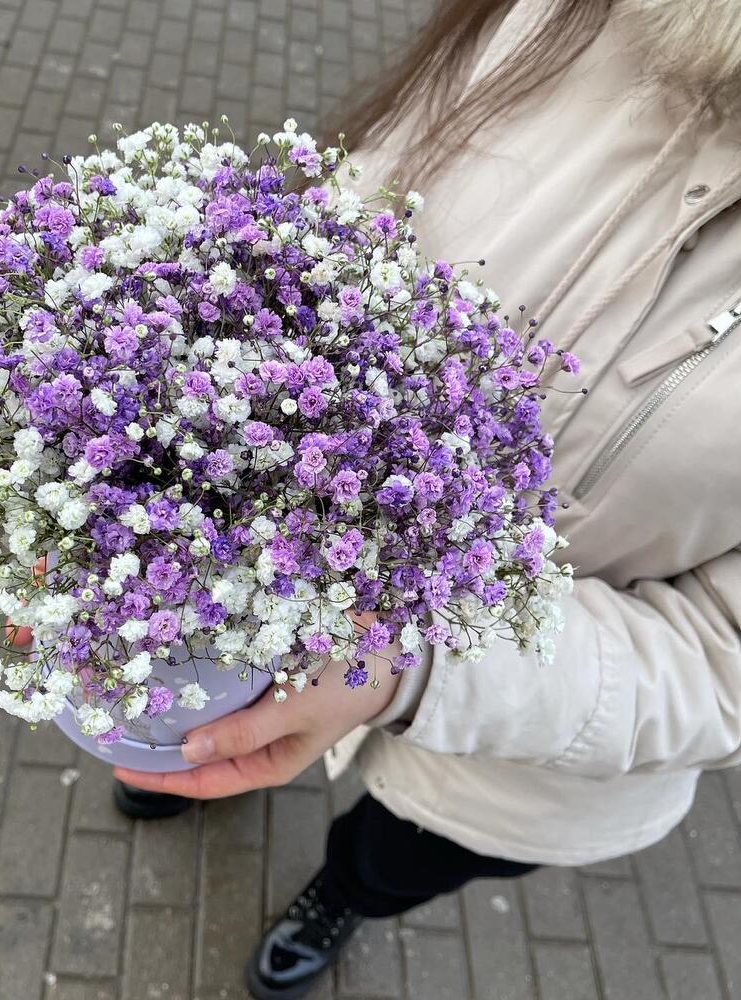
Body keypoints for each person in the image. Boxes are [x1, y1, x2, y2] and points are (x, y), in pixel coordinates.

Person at [114, 1, 741, 997]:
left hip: (526, 743)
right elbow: (361, 201)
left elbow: (720, 661)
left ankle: (342, 894)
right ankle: (198, 770)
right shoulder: (598, 17)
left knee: (400, 850)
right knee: (209, 723)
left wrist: (406, 664)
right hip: (260, 564)